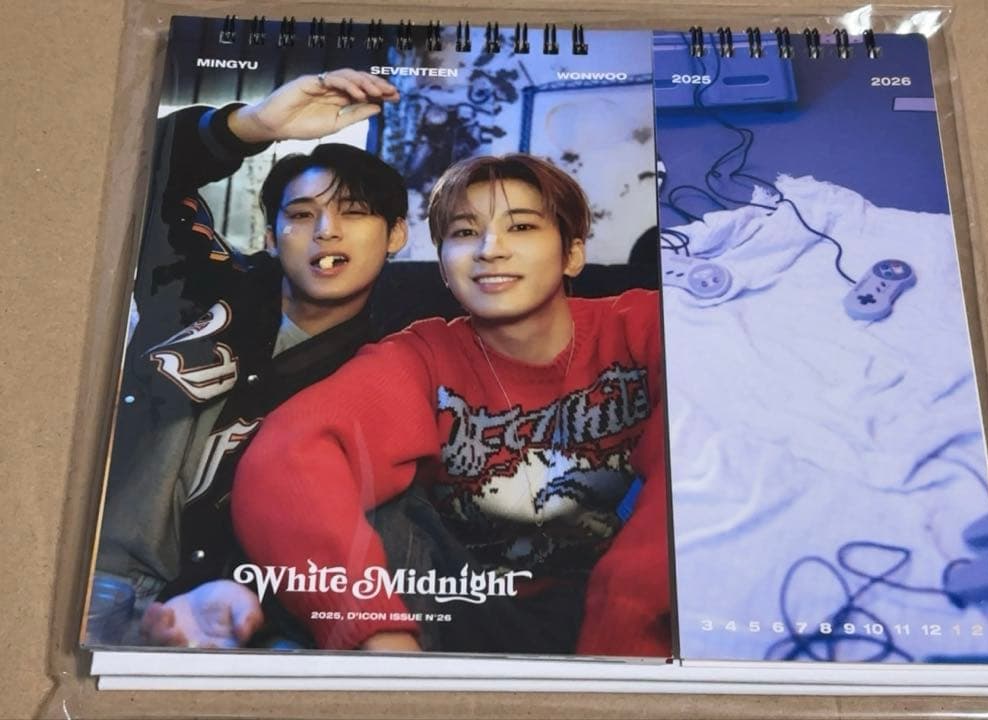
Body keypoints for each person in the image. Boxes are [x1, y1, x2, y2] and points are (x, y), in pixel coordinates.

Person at [232, 154, 671, 656]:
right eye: (464, 232)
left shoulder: (647, 326)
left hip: (623, 618)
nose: (490, 249)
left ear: (571, 253)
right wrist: (373, 632)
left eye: (521, 227)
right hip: (467, 616)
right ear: (442, 265)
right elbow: (288, 455)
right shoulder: (420, 357)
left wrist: (625, 636)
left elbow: (705, 462)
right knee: (378, 505)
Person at [92, 69, 407, 649]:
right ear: (270, 236)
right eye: (302, 214)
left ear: (395, 236)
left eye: (355, 212)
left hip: (202, 613)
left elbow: (335, 528)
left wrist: (245, 598)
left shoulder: (380, 373)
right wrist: (256, 125)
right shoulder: (199, 286)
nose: (327, 231)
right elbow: (141, 167)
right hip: (83, 573)